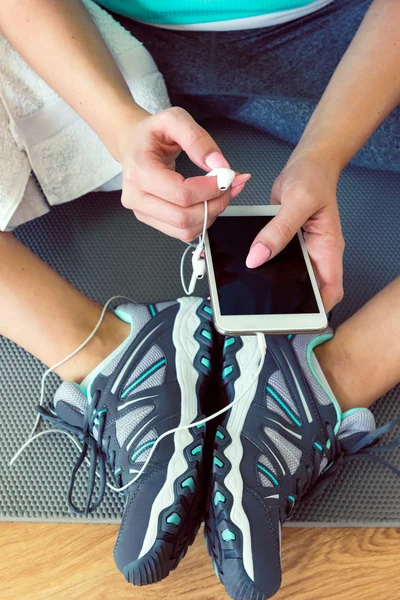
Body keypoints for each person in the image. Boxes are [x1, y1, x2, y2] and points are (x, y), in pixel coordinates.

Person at [0, 0, 399, 598]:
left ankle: (322, 376)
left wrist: (325, 151)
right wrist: (118, 123)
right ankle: (116, 354)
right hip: (93, 37)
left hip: (348, 44)